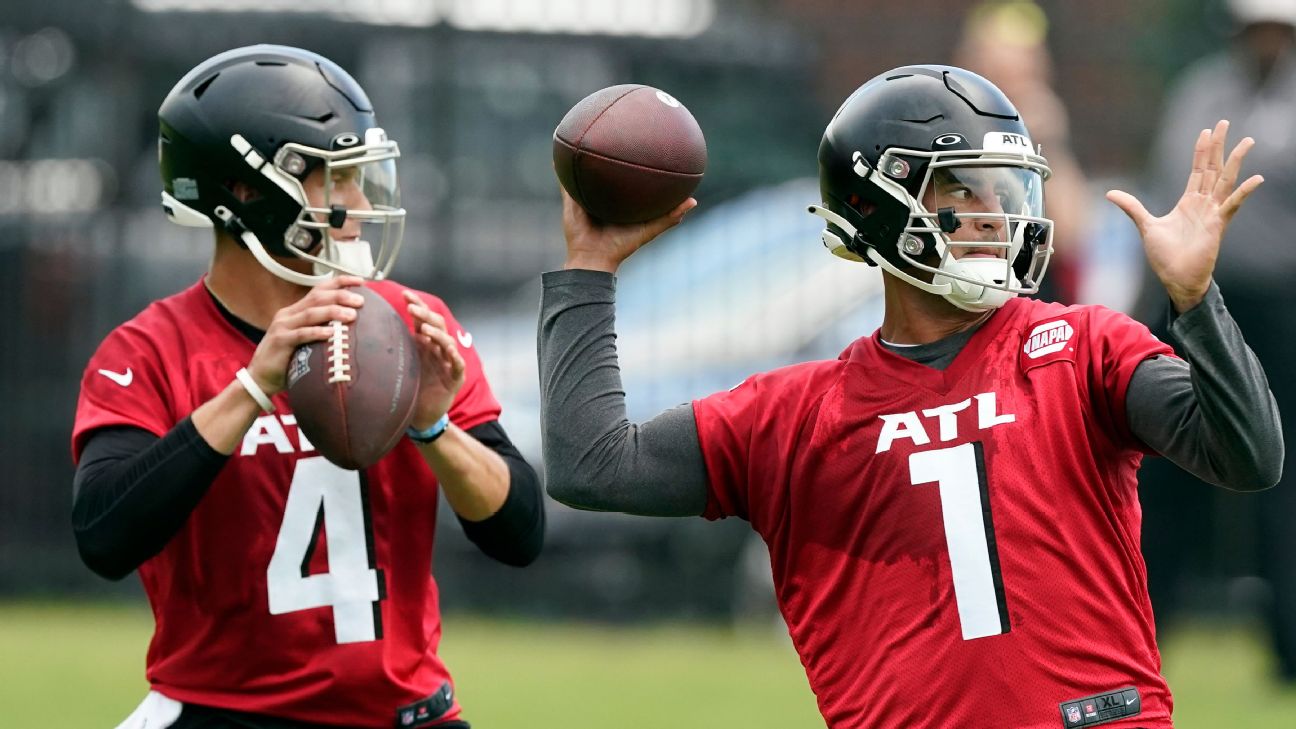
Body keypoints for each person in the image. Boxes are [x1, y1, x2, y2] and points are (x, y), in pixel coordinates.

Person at [538, 64, 1281, 728]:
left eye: (1005, 187)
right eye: (962, 186)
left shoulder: (1082, 347)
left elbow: (1248, 456)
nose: (997, 212)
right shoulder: (795, 416)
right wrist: (588, 269)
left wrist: (1196, 300)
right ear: (875, 206)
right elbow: (591, 465)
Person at [71, 45, 543, 729]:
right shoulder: (150, 349)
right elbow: (103, 535)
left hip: (406, 714)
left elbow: (520, 531)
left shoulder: (408, 325)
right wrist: (253, 386)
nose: (358, 201)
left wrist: (435, 429)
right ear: (246, 192)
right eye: (334, 179)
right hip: (221, 712)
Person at [1135, 0, 1296, 683]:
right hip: (1195, 303)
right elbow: (1174, 192)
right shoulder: (1202, 92)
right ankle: (1142, 631)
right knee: (1166, 471)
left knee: (1281, 480)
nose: (1264, 41)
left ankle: (1289, 646)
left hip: (1285, 308)